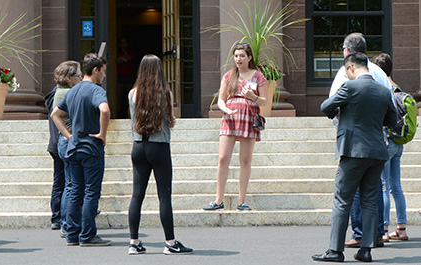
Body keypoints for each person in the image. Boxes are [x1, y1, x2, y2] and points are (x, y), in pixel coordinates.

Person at [312, 52, 397, 262]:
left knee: (342, 200)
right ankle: (366, 250)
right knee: (369, 201)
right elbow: (392, 120)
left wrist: (342, 112)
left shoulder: (350, 87)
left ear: (350, 68)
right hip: (377, 152)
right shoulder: (384, 90)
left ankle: (335, 251)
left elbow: (325, 106)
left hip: (352, 150)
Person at [330, 33, 393, 248]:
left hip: (353, 144)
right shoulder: (381, 74)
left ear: (347, 52)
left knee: (348, 194)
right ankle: (373, 237)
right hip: (378, 143)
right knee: (372, 193)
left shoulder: (346, 73)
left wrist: (348, 123)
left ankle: (356, 236)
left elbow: (332, 106)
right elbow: (391, 112)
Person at [127, 54, 193, 255]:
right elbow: (171, 120)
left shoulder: (132, 93)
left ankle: (134, 242)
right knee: (164, 196)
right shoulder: (165, 93)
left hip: (138, 146)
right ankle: (170, 243)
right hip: (159, 146)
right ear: (159, 70)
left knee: (137, 195)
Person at [51, 53, 111, 247]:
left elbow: (55, 114)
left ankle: (72, 235)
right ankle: (88, 236)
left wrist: (69, 136)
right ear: (95, 70)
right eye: (103, 71)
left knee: (75, 190)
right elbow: (104, 110)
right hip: (91, 148)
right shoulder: (96, 90)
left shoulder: (73, 91)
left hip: (74, 148)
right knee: (91, 192)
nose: (104, 76)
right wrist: (102, 134)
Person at [202, 43, 267, 211]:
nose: (238, 59)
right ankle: (218, 200)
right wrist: (224, 109)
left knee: (245, 160)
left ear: (249, 57)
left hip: (248, 117)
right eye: (236, 55)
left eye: (242, 56)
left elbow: (266, 101)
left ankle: (241, 201)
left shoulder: (258, 76)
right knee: (223, 158)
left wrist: (253, 97)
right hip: (230, 118)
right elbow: (221, 99)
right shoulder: (229, 75)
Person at [372, 53, 409, 241]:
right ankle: (401, 229)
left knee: (384, 186)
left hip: (385, 141)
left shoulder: (382, 88)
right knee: (396, 185)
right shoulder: (399, 89)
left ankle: (384, 229)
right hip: (398, 142)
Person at [51, 61, 83, 238]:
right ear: (69, 78)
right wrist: (70, 136)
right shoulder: (69, 93)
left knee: (69, 185)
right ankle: (67, 224)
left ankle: (66, 223)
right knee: (72, 186)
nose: (81, 78)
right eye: (78, 76)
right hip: (69, 141)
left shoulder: (60, 91)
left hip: (64, 142)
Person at [44, 83, 64, 231]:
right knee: (69, 182)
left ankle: (56, 217)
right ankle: (59, 217)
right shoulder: (63, 94)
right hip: (62, 143)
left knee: (58, 181)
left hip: (54, 143)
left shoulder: (52, 95)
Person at [117, 38, 136, 118]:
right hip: (120, 76)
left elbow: (129, 58)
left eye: (124, 42)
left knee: (129, 97)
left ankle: (130, 115)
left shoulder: (131, 52)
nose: (123, 44)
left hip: (129, 76)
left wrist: (124, 50)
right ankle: (117, 115)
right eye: (121, 43)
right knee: (119, 97)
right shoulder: (116, 53)